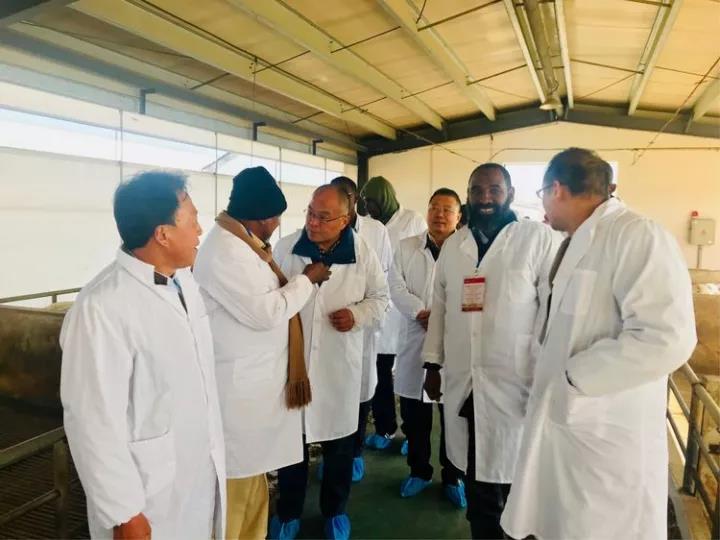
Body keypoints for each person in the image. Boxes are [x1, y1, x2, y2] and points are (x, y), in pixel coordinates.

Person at [500, 148, 697, 540]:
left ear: (556, 189)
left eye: (542, 194)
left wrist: (575, 378)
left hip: (604, 432)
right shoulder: (577, 240)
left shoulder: (637, 235)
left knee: (597, 526)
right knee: (560, 521)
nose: (543, 206)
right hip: (571, 428)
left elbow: (668, 337)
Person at [60, 171, 226, 539]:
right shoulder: (101, 307)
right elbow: (91, 421)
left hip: (197, 472)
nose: (200, 230)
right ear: (162, 234)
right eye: (192, 219)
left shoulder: (184, 282)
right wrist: (125, 512)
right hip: (148, 497)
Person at [193, 167, 331, 539]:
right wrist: (307, 280)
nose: (278, 224)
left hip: (255, 389)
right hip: (239, 396)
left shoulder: (245, 244)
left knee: (253, 483)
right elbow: (265, 312)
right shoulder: (225, 251)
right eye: (276, 216)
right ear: (263, 216)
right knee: (235, 491)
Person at [421, 163, 557, 539]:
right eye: (477, 190)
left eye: (494, 190)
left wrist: (548, 371)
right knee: (478, 480)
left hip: (517, 380)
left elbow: (551, 310)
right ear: (467, 195)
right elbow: (440, 308)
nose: (485, 198)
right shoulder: (454, 245)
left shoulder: (536, 238)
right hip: (464, 378)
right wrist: (432, 364)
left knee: (517, 482)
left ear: (510, 194)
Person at [270, 185, 389, 540]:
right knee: (292, 449)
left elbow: (381, 298)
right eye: (310, 212)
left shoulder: (362, 252)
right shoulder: (287, 248)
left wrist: (357, 314)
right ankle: (288, 512)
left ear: (344, 220)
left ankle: (335, 511)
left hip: (339, 368)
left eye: (323, 217)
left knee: (339, 450)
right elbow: (270, 301)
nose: (313, 222)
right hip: (295, 368)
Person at [390, 188, 466, 507]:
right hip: (415, 337)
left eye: (447, 209)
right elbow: (395, 286)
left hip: (454, 342)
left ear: (458, 216)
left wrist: (442, 318)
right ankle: (419, 471)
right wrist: (421, 312)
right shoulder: (406, 246)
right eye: (434, 207)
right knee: (415, 416)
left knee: (453, 418)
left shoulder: (468, 250)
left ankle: (453, 476)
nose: (439, 214)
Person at [330, 175, 393, 481]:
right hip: (331, 324)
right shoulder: (322, 230)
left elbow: (384, 276)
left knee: (361, 390)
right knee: (333, 392)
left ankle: (355, 451)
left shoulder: (376, 231)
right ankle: (333, 453)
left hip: (363, 323)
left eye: (346, 195)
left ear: (355, 200)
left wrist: (361, 312)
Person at [360, 175, 426, 450]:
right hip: (380, 309)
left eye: (373, 201)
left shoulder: (412, 220)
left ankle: (412, 434)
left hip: (406, 309)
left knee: (411, 375)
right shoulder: (369, 226)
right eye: (366, 202)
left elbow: (420, 259)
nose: (369, 207)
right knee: (380, 372)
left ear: (385, 198)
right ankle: (385, 428)